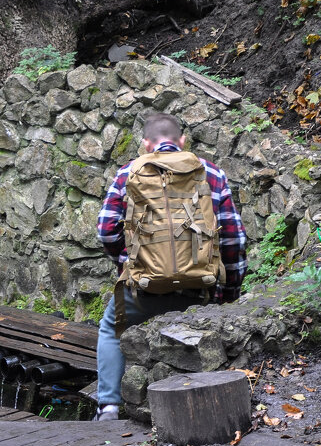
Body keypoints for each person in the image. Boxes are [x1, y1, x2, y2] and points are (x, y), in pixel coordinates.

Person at [93, 112, 247, 420]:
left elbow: (106, 230)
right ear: (182, 141)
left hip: (142, 288)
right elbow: (232, 239)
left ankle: (109, 406)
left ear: (145, 144)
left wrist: (130, 264)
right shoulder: (211, 173)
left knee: (111, 328)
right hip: (199, 288)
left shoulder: (128, 172)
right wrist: (228, 292)